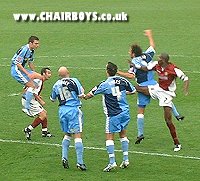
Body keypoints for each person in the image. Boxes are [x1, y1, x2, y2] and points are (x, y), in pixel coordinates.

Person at [117, 29, 184, 145]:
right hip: (154, 83)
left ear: (133, 53)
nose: (129, 52)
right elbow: (152, 46)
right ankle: (177, 114)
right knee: (165, 97)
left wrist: (118, 72)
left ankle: (140, 133)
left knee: (140, 111)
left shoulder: (134, 61)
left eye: (130, 51)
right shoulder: (146, 56)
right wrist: (150, 35)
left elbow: (131, 76)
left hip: (143, 87)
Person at [84, 62, 136, 172]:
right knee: (123, 135)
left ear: (107, 71)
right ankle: (126, 160)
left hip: (113, 114)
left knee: (109, 137)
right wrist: (122, 93)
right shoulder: (123, 80)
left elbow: (88, 96)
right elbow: (133, 91)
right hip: (125, 112)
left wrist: (82, 95)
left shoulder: (104, 84)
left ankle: (112, 162)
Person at [134, 53, 189, 151]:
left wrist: (185, 89)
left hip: (167, 94)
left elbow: (186, 78)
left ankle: (177, 143)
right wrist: (135, 65)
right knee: (138, 88)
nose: (158, 59)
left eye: (160, 58)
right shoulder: (157, 65)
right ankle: (119, 92)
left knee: (168, 121)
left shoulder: (173, 69)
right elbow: (146, 69)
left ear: (164, 60)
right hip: (157, 89)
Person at [50, 66, 86, 171]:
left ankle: (64, 157)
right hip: (73, 110)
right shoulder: (74, 81)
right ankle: (80, 162)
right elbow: (81, 94)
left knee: (67, 134)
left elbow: (52, 99)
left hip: (62, 111)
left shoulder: (56, 84)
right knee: (78, 135)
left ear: (59, 75)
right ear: (68, 72)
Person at [11, 36, 42, 114]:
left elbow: (30, 62)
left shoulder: (32, 50)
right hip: (16, 70)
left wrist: (34, 73)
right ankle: (26, 107)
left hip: (21, 69)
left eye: (38, 43)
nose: (37, 45)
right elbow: (18, 64)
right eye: (36, 43)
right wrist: (27, 73)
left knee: (38, 80)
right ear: (30, 43)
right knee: (32, 85)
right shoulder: (24, 49)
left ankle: (29, 93)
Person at [23, 67, 53, 140]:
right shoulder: (39, 80)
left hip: (30, 99)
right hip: (29, 100)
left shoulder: (39, 80)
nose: (50, 75)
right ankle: (28, 129)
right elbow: (32, 91)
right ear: (43, 74)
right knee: (43, 115)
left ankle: (44, 132)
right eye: (48, 73)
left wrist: (38, 96)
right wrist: (40, 100)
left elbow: (29, 88)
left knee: (44, 113)